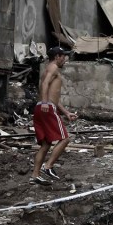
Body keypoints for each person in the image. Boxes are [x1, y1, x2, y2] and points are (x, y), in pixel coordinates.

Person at [29, 46, 78, 184]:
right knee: (65, 139)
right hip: (46, 108)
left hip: (41, 108)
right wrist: (45, 103)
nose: (65, 59)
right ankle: (48, 166)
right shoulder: (53, 68)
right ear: (57, 57)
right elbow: (44, 84)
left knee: (46, 144)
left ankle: (35, 175)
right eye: (64, 56)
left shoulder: (49, 69)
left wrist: (66, 113)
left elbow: (53, 97)